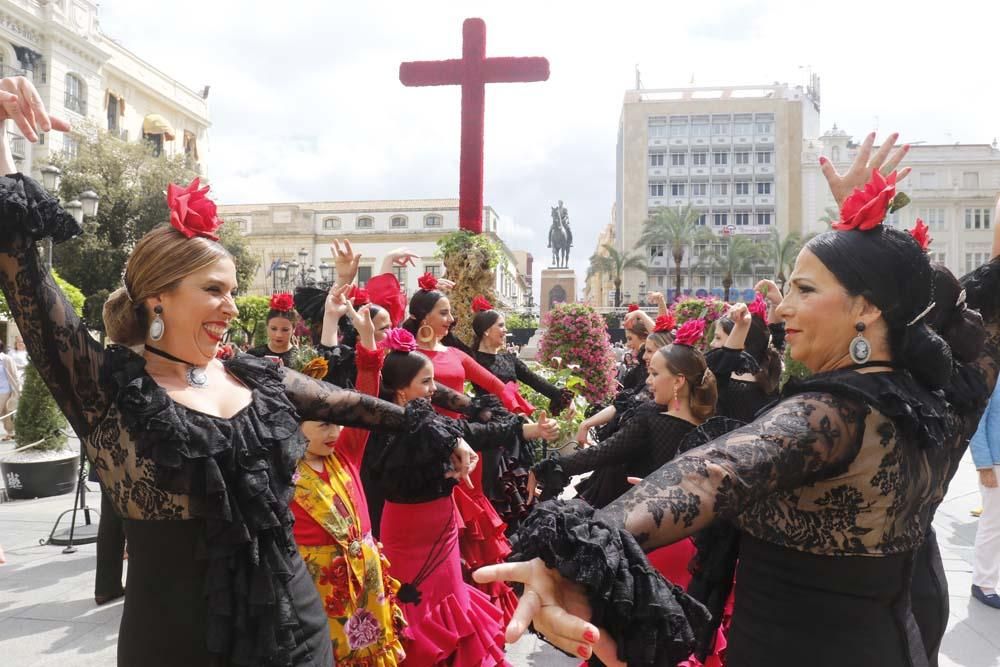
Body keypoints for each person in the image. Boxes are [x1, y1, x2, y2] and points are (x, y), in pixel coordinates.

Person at [477, 133, 998, 667]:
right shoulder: (945, 401)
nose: (780, 311)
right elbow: (978, 293)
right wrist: (865, 240)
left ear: (865, 308)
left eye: (804, 291)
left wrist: (575, 552)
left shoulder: (832, 414)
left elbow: (713, 473)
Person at [0, 76, 429, 666]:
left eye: (232, 290)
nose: (231, 306)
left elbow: (355, 405)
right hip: (176, 649)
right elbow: (22, 266)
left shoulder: (254, 377)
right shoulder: (106, 391)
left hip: (299, 640)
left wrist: (445, 426)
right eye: (213, 290)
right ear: (157, 298)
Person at [367, 328, 546, 665]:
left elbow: (474, 432)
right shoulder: (380, 427)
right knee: (407, 604)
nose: (434, 390)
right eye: (426, 382)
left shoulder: (438, 425)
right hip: (403, 534)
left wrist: (529, 429)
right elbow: (423, 427)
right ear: (402, 390)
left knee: (452, 602)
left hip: (443, 528)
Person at [290, 297, 407, 666]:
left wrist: (369, 344)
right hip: (316, 594)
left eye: (338, 423)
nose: (335, 432)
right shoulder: (283, 470)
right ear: (295, 426)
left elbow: (366, 399)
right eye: (323, 424)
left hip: (367, 588)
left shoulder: (346, 452)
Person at [468, 295, 573, 529]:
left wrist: (564, 399)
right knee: (495, 481)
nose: (506, 331)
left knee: (521, 477)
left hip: (517, 428)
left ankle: (518, 530)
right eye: (501, 326)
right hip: (490, 428)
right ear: (486, 331)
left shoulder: (509, 358)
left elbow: (536, 381)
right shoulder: (472, 358)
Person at [968, 381, 1000, 609]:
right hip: (996, 464)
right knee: (993, 526)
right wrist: (984, 465)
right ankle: (983, 584)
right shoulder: (993, 377)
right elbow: (977, 421)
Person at [246, 291, 298, 366]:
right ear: (267, 327)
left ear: (294, 329)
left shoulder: (301, 360)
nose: (278, 335)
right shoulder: (253, 355)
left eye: (285, 330)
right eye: (273, 329)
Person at [0, 341, 20, 438]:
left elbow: (14, 375)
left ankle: (11, 432)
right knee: (6, 413)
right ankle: (10, 432)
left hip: (4, 391)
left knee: (5, 412)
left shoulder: (6, 359)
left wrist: (16, 391)